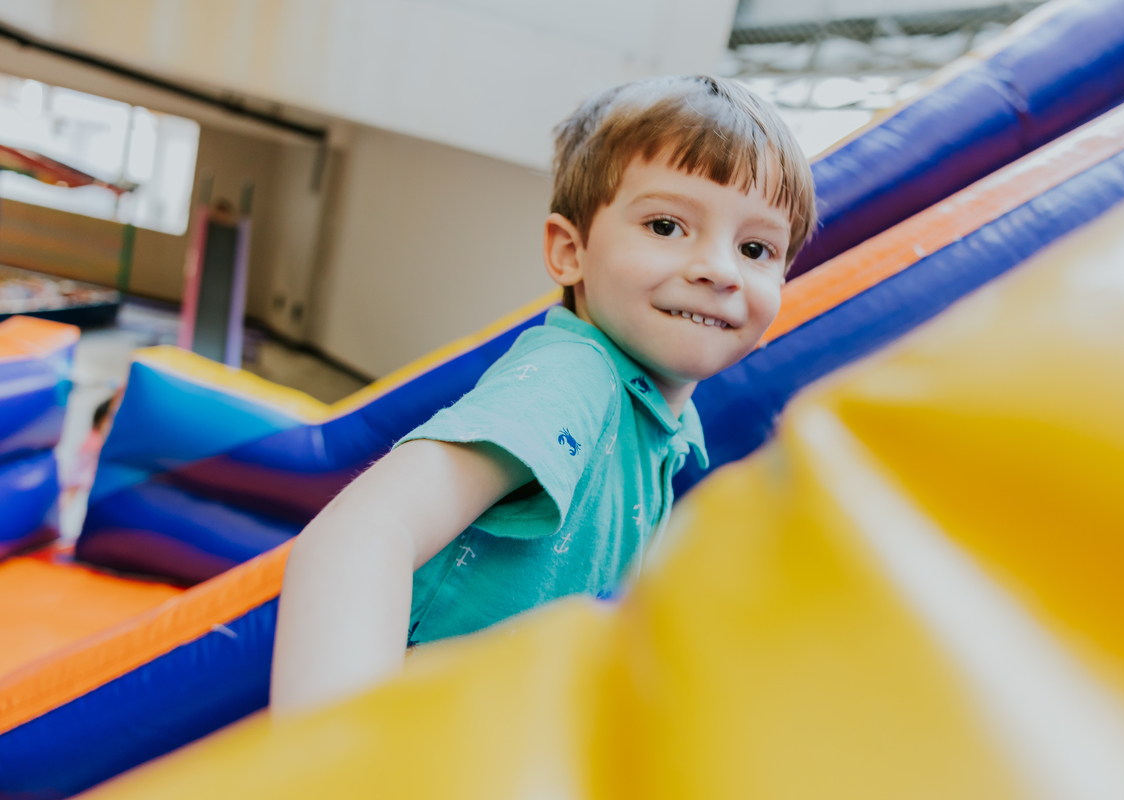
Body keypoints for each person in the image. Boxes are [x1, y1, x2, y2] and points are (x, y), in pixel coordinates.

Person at [271, 75, 817, 715]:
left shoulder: (664, 429)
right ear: (569, 251)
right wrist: (338, 762)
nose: (719, 270)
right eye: (667, 225)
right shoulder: (576, 379)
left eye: (756, 248)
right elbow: (364, 532)